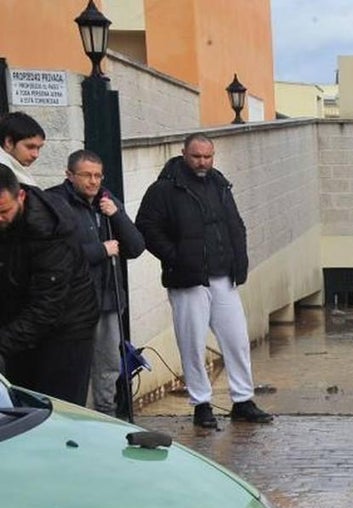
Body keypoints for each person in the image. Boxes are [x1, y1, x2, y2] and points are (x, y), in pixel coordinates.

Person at [136, 133, 273, 428]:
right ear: (184, 153)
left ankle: (243, 400)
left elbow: (234, 223)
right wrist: (177, 257)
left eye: (208, 156)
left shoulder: (219, 183)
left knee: (237, 340)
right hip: (188, 279)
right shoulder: (164, 189)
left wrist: (240, 260)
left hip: (224, 276)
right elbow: (146, 228)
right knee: (192, 344)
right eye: (197, 156)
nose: (202, 162)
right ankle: (201, 405)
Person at [47, 149, 146, 417]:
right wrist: (100, 250)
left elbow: (136, 246)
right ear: (69, 175)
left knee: (110, 364)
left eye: (98, 176)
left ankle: (107, 416)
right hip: (72, 303)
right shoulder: (54, 202)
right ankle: (72, 417)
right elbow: (55, 255)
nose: (93, 181)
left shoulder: (107, 201)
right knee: (73, 366)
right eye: (86, 175)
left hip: (108, 300)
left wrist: (116, 215)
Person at [0, 164, 99, 404]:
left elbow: (47, 306)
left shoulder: (51, 228)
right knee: (21, 404)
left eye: (4, 211)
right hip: (19, 320)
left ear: (21, 196)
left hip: (67, 327)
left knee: (57, 409)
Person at [0, 112, 45, 187]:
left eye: (39, 148)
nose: (35, 155)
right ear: (9, 142)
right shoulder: (5, 176)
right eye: (30, 147)